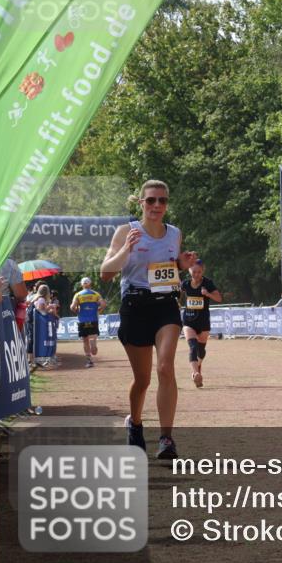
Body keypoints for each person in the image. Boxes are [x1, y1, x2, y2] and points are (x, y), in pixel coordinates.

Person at [101, 180, 197, 459]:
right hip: (135, 307)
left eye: (163, 201)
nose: (157, 206)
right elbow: (106, 273)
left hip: (165, 306)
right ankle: (135, 423)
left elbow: (168, 267)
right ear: (141, 203)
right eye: (152, 200)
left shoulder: (174, 233)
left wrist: (182, 263)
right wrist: (126, 250)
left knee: (165, 368)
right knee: (141, 380)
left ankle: (166, 438)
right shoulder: (126, 232)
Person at [181, 259, 221, 388]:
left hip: (203, 322)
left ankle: (198, 366)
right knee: (193, 346)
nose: (196, 274)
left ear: (202, 271)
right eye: (194, 272)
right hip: (188, 320)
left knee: (201, 351)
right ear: (189, 271)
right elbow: (177, 294)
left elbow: (219, 298)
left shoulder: (208, 283)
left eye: (199, 272)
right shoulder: (185, 284)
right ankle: (195, 373)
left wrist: (207, 294)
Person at [70, 277, 106, 367]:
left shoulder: (78, 295)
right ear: (90, 284)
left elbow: (72, 307)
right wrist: (99, 310)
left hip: (82, 320)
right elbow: (103, 304)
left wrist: (77, 311)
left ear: (82, 285)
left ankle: (89, 361)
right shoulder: (95, 294)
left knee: (85, 341)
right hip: (93, 319)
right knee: (93, 336)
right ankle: (93, 342)